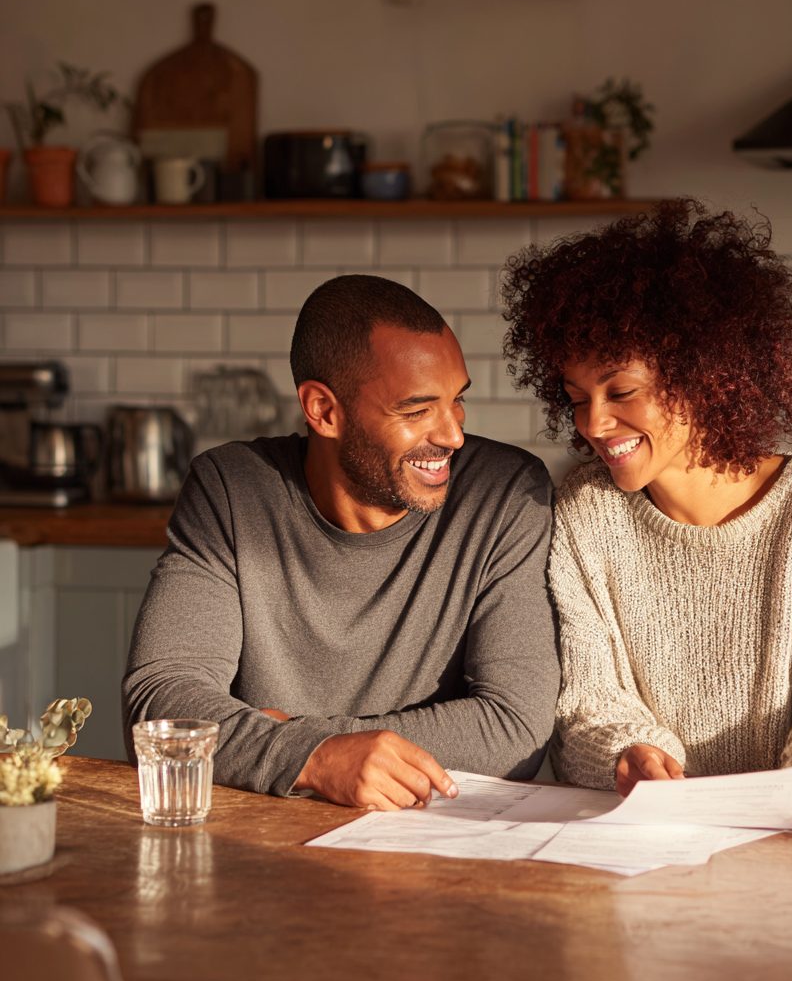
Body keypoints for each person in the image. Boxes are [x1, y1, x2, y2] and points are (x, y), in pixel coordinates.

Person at [501, 198, 792, 838]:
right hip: (655, 846)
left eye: (622, 392)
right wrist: (627, 754)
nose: (593, 424)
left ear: (703, 374)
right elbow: (587, 702)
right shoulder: (585, 514)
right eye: (579, 399)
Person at [123, 275, 559, 811]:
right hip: (261, 842)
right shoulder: (232, 490)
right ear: (323, 411)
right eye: (417, 410)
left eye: (456, 401)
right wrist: (320, 758)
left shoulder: (505, 495)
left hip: (437, 843)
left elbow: (514, 729)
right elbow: (161, 710)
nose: (452, 435)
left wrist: (300, 743)